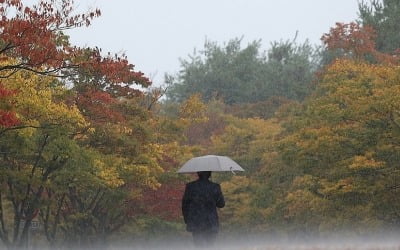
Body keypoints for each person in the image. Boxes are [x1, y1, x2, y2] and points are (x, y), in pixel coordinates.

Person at [182, 171, 225, 247]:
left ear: (198, 174)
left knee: (199, 246)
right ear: (209, 174)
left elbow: (185, 205)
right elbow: (221, 204)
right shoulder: (215, 187)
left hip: (196, 223)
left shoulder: (190, 186)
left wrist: (187, 220)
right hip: (211, 223)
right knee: (210, 246)